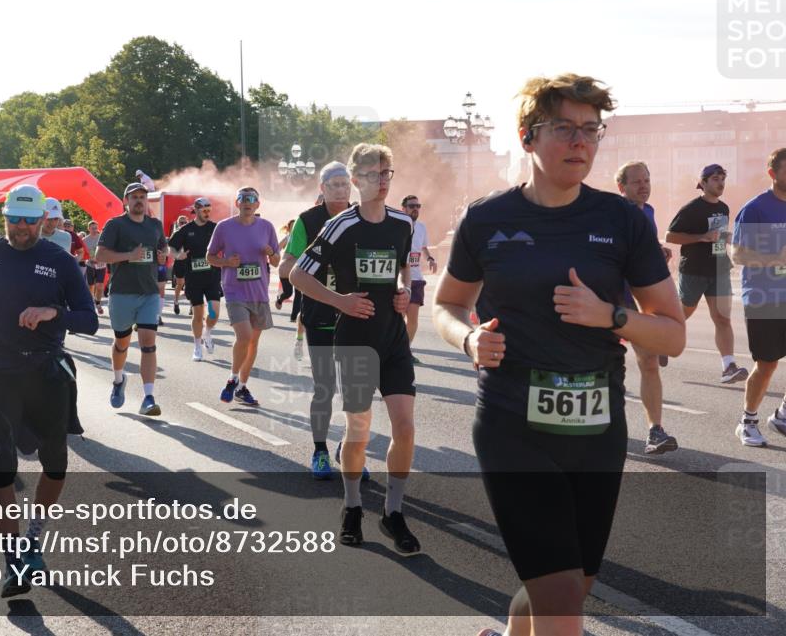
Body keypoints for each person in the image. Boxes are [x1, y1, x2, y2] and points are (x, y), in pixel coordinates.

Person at [433, 74, 685, 636]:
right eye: (565, 129)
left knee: (571, 586)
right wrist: (469, 338)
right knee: (562, 593)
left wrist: (612, 316)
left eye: (591, 130)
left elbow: (672, 335)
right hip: (511, 422)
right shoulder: (486, 218)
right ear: (527, 138)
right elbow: (445, 305)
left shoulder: (620, 220)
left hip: (597, 426)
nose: (581, 143)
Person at [0, 184, 97, 598]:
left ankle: (34, 534)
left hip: (46, 369)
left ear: (43, 222)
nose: (21, 227)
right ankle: (13, 555)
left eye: (30, 221)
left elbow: (88, 320)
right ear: (5, 217)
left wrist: (54, 312)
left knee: (55, 463)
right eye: (14, 219)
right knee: (1, 463)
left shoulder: (59, 260)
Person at [291, 144, 419, 555]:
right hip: (356, 339)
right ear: (358, 178)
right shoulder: (340, 226)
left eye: (388, 172)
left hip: (393, 338)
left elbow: (404, 272)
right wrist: (340, 301)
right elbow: (297, 275)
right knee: (359, 430)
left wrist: (403, 294)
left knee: (405, 427)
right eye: (375, 173)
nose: (383, 180)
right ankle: (351, 507)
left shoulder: (403, 222)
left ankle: (393, 513)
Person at [279, 161, 361, 479]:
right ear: (322, 188)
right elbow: (285, 267)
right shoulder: (308, 220)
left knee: (358, 390)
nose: (341, 189)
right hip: (320, 314)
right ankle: (320, 451)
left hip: (356, 313)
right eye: (334, 184)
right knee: (325, 387)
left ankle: (349, 451)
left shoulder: (362, 217)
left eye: (345, 183)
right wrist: (313, 263)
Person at [615, 161, 679, 454]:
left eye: (647, 180)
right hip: (611, 300)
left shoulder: (649, 212)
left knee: (648, 362)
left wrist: (658, 252)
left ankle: (655, 431)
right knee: (605, 366)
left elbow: (647, 244)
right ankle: (597, 428)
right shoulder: (612, 216)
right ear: (622, 187)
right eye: (636, 182)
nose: (643, 186)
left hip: (642, 298)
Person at [666, 163, 748, 383]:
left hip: (719, 269)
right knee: (683, 314)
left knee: (722, 318)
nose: (720, 182)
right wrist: (701, 237)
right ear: (703, 183)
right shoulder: (692, 208)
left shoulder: (724, 208)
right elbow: (670, 236)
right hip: (694, 270)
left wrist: (727, 238)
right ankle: (660, 342)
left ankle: (728, 367)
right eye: (715, 178)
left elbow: (717, 236)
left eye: (723, 178)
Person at [95, 182, 168, 417]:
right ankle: (118, 380)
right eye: (134, 197)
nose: (139, 200)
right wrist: (129, 255)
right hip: (121, 293)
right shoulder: (115, 225)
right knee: (122, 343)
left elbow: (163, 252)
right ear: (126, 201)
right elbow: (100, 255)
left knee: (148, 343)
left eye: (142, 197)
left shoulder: (155, 225)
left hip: (148, 293)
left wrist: (162, 256)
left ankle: (148, 397)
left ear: (147, 200)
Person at [729, 147, 786, 447]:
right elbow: (737, 254)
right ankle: (747, 421)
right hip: (764, 297)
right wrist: (775, 258)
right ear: (772, 173)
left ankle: (782, 415)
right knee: (767, 364)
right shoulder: (755, 209)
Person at [208, 187, 280, 406]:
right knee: (244, 336)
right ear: (237, 203)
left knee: (253, 343)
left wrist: (271, 254)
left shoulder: (266, 227)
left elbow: (276, 261)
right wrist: (227, 263)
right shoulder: (224, 227)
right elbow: (210, 257)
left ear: (258, 204)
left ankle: (242, 386)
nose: (248, 202)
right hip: (234, 291)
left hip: (259, 292)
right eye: (243, 199)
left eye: (252, 199)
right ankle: (232, 378)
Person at [168, 199, 223, 361]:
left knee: (214, 312)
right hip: (193, 278)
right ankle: (197, 347)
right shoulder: (186, 230)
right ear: (196, 210)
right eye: (204, 210)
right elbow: (170, 247)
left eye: (209, 210)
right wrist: (178, 255)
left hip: (212, 276)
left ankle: (208, 333)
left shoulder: (215, 228)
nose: (207, 213)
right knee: (198, 314)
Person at [400, 195, 438, 363]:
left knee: (413, 318)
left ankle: (405, 350)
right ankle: (393, 348)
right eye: (411, 205)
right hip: (400, 279)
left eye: (418, 206)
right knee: (398, 318)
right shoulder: (397, 226)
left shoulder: (421, 227)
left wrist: (430, 258)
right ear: (404, 208)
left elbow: (423, 248)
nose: (415, 208)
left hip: (416, 278)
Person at [275, 219, 306, 361]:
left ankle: (294, 316)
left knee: (299, 295)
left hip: (299, 270)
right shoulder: (290, 237)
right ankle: (281, 299)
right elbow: (277, 248)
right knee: (289, 293)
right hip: (288, 269)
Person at [83, 220, 107, 315]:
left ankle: (98, 303)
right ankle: (91, 302)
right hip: (90, 264)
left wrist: (102, 258)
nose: (94, 230)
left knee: (100, 285)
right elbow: (83, 253)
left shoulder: (101, 238)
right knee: (91, 285)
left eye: (96, 228)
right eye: (92, 228)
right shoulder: (85, 240)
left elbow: (106, 249)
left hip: (101, 264)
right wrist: (90, 259)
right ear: (88, 229)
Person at [170, 215, 190, 315]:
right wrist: (178, 255)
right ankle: (176, 302)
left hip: (189, 261)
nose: (183, 224)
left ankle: (193, 306)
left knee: (191, 283)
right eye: (181, 222)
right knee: (180, 283)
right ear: (178, 223)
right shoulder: (176, 233)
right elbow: (171, 250)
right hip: (179, 261)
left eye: (184, 222)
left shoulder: (191, 232)